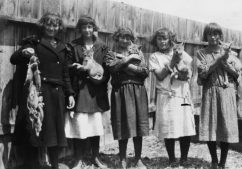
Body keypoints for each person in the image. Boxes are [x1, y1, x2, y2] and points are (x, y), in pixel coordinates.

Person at [10, 13, 75, 169]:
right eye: (48, 24)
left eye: (55, 25)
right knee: (34, 129)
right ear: (43, 25)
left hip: (57, 94)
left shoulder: (63, 47)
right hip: (38, 93)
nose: (52, 28)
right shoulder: (34, 42)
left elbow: (65, 73)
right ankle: (32, 165)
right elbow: (14, 59)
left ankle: (54, 165)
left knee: (55, 132)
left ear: (59, 27)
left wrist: (70, 94)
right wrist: (23, 53)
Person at [64, 16, 110, 169]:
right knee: (80, 124)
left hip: (96, 91)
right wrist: (78, 70)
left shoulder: (102, 46)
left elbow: (107, 69)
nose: (87, 30)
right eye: (84, 27)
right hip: (80, 89)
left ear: (94, 28)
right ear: (80, 29)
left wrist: (98, 78)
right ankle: (78, 158)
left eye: (90, 27)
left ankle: (96, 157)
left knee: (95, 125)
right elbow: (67, 67)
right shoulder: (73, 45)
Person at [196, 22, 242, 169]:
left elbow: (238, 74)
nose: (213, 37)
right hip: (211, 91)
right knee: (211, 127)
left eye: (216, 34)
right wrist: (219, 59)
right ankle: (214, 161)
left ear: (220, 36)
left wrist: (227, 64)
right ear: (206, 36)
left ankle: (222, 162)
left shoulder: (231, 53)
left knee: (226, 127)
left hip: (227, 92)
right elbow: (203, 73)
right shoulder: (201, 53)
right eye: (210, 34)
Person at [149, 27, 196, 167]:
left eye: (165, 38)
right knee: (168, 127)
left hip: (183, 96)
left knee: (185, 126)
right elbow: (160, 75)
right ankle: (171, 159)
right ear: (155, 41)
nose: (162, 42)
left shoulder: (181, 53)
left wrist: (184, 73)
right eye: (159, 39)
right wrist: (173, 62)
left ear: (170, 40)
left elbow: (190, 72)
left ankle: (184, 158)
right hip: (166, 96)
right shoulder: (154, 56)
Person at [104, 27, 149, 169]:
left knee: (138, 126)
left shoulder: (138, 52)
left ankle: (138, 159)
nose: (125, 40)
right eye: (122, 37)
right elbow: (112, 69)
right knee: (122, 125)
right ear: (117, 38)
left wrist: (125, 65)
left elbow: (145, 72)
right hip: (120, 91)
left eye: (128, 37)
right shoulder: (110, 54)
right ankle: (122, 158)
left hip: (137, 91)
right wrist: (129, 60)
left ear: (132, 39)